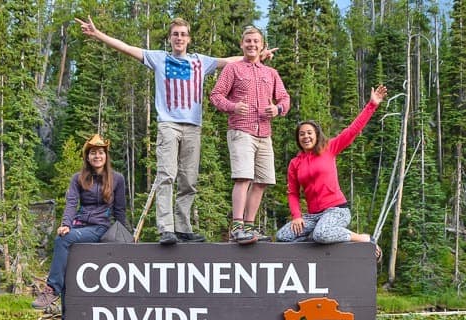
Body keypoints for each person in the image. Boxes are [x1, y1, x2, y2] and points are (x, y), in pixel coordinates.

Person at [76, 17, 273, 246]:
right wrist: (99, 34)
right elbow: (127, 48)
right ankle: (166, 228)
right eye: (175, 34)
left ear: (189, 38)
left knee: (188, 179)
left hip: (193, 126)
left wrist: (258, 56)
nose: (179, 38)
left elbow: (230, 61)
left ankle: (183, 227)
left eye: (183, 34)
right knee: (166, 175)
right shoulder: (159, 59)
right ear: (170, 38)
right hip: (168, 125)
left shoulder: (201, 61)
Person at [31, 134, 127, 320]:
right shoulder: (78, 178)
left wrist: (127, 237)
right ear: (87, 156)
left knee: (62, 240)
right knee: (67, 266)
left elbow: (120, 210)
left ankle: (51, 289)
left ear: (106, 155)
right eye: (93, 152)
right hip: (79, 226)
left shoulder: (117, 179)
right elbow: (71, 203)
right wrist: (66, 223)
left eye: (100, 152)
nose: (97, 155)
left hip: (99, 228)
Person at [275, 85, 388, 261]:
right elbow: (292, 193)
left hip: (336, 210)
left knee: (322, 234)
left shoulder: (329, 148)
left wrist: (372, 105)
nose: (306, 137)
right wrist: (297, 217)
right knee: (283, 236)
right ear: (298, 139)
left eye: (309, 133)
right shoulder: (295, 163)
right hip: (313, 216)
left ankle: (365, 239)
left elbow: (353, 130)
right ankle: (320, 234)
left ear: (316, 135)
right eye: (302, 134)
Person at [209, 26, 290, 245]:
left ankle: (249, 226)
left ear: (262, 45)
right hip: (241, 130)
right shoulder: (233, 69)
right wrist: (233, 106)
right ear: (241, 44)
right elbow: (216, 95)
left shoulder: (270, 73)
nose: (252, 45)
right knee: (244, 177)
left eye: (256, 41)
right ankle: (237, 226)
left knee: (262, 181)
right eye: (248, 41)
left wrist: (278, 110)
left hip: (264, 132)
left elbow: (284, 98)